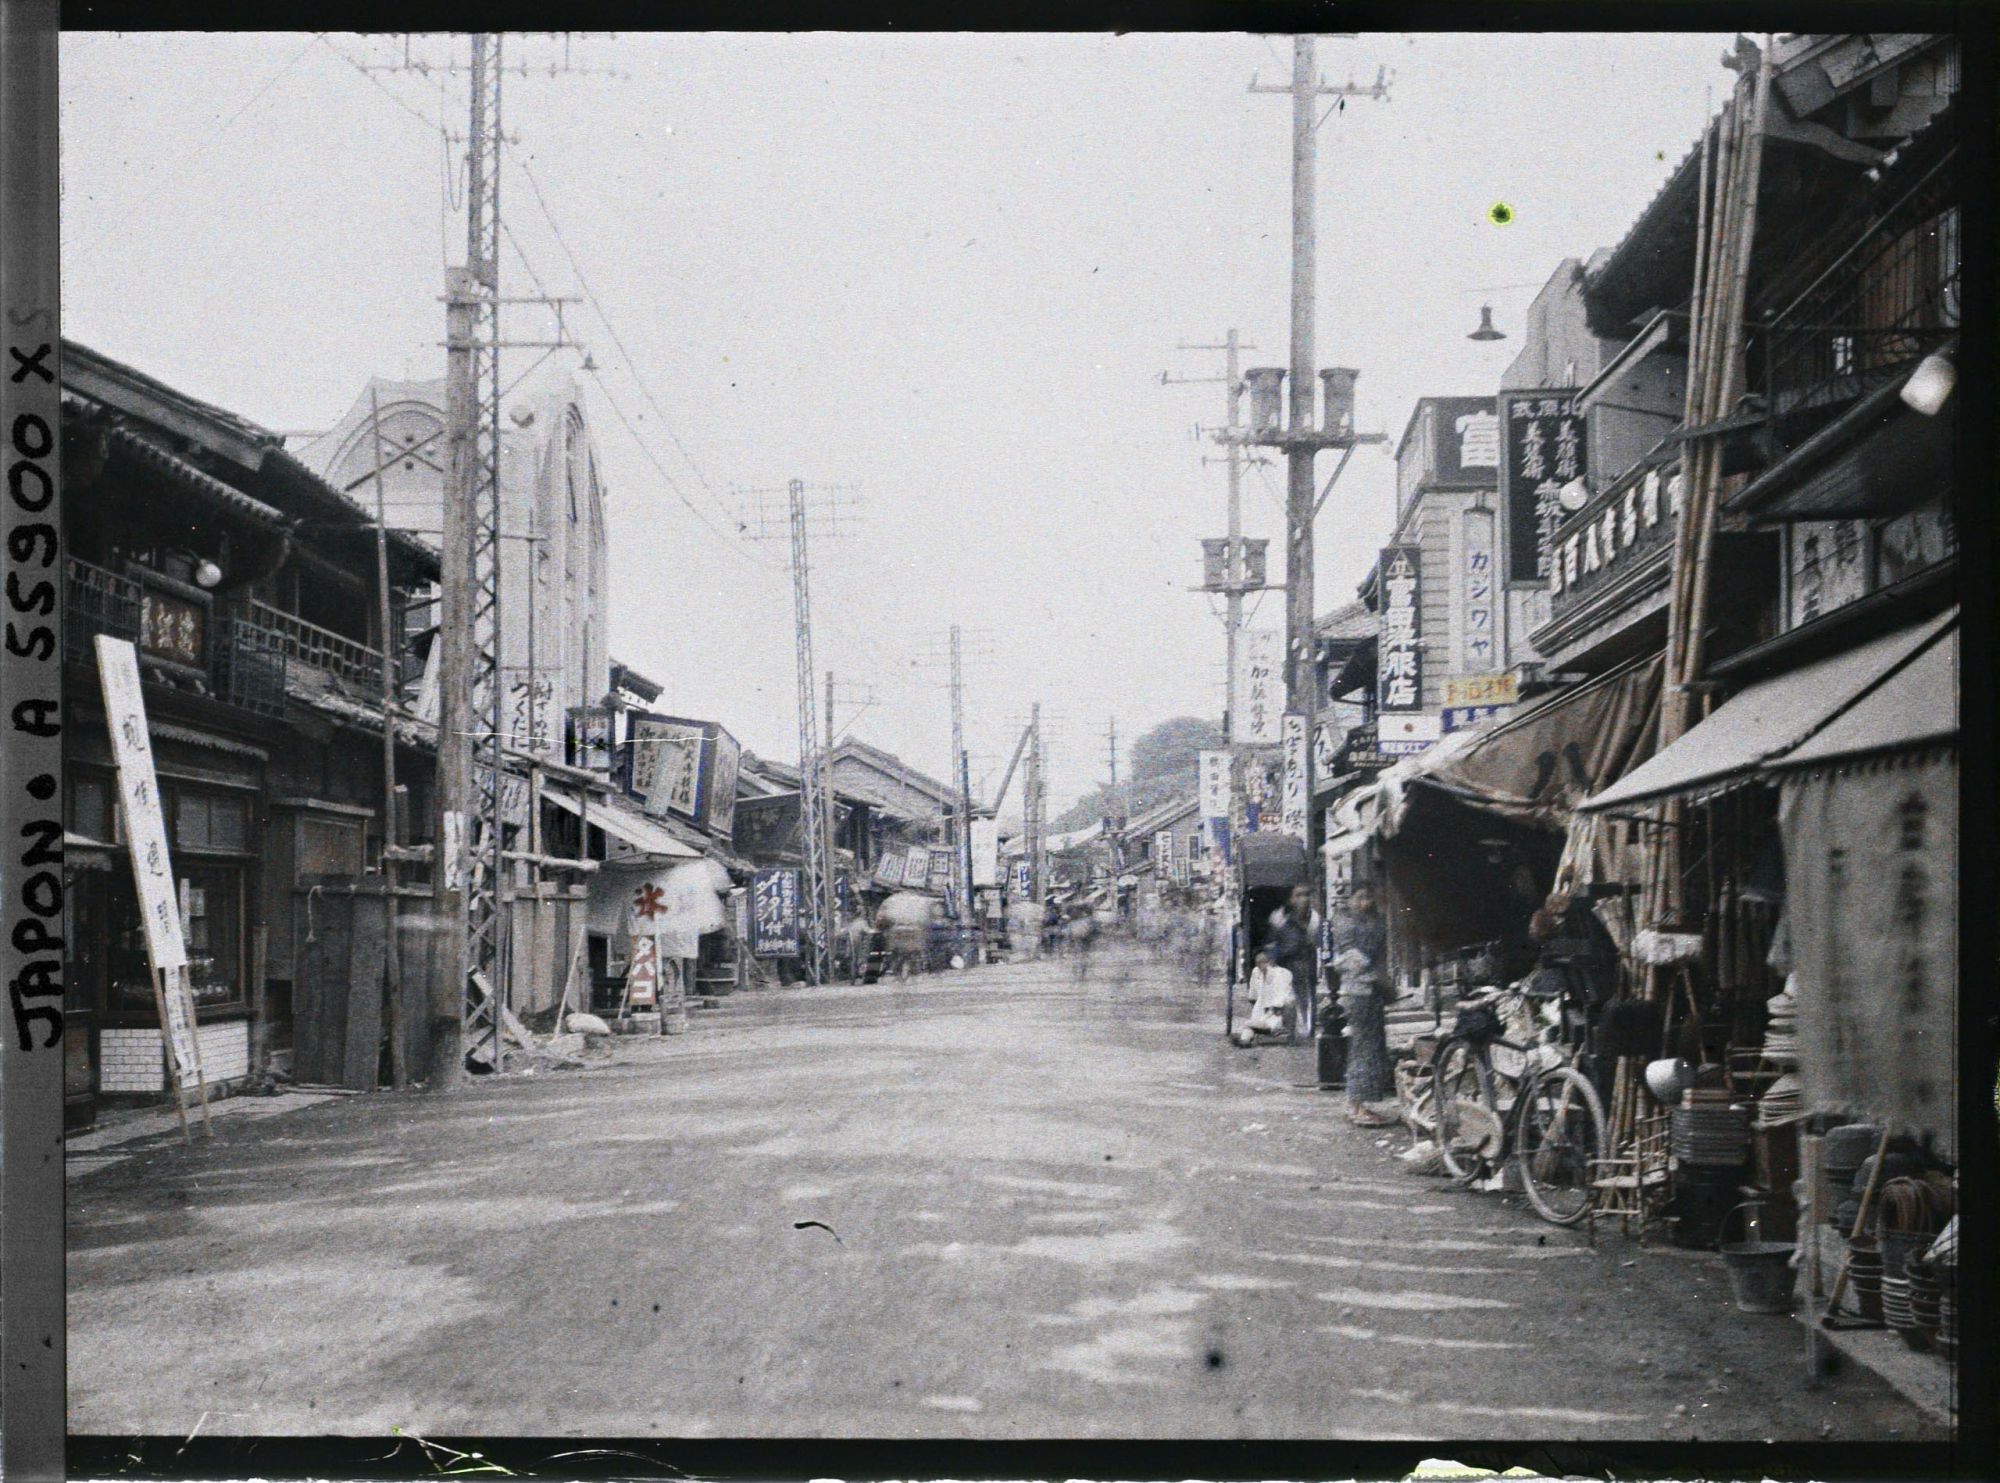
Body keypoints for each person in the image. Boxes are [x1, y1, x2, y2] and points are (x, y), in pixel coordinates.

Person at [1330, 883, 1397, 1125]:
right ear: (1350, 900)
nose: (1364, 903)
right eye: (1360, 898)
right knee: (1365, 1048)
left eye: (1369, 898)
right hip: (1362, 993)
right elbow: (1359, 960)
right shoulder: (1360, 925)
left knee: (1363, 1047)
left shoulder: (1349, 923)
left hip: (1359, 991)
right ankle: (1358, 1106)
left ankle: (1354, 1103)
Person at [1267, 883, 1321, 1040]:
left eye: (1306, 895)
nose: (1304, 899)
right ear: (1291, 899)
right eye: (1299, 895)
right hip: (1287, 964)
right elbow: (1272, 944)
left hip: (1308, 962)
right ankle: (1293, 1027)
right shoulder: (1280, 920)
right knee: (1291, 997)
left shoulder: (1315, 920)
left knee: (1307, 996)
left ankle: (1307, 1027)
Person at [1240, 947, 1294, 1038]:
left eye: (1263, 961)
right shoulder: (1256, 972)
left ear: (1271, 961)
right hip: (1261, 1013)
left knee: (1250, 1024)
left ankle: (1276, 1030)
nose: (1260, 965)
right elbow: (1252, 997)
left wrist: (1269, 1013)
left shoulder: (1283, 974)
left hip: (1278, 1014)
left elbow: (1281, 999)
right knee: (1248, 1027)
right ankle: (1245, 1041)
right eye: (1257, 962)